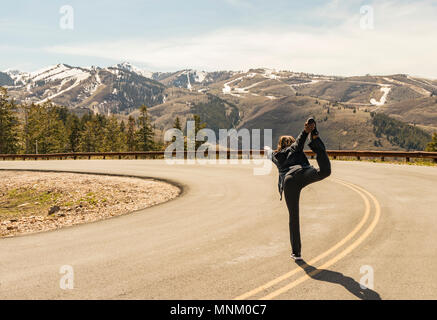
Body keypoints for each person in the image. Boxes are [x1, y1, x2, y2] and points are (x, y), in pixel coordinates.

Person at [271, 118, 331, 261]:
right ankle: (316, 139)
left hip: (290, 181)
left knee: (294, 216)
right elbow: (296, 147)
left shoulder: (275, 156)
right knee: (325, 171)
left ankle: (296, 253)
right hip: (303, 173)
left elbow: (272, 153)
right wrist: (306, 132)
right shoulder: (293, 149)